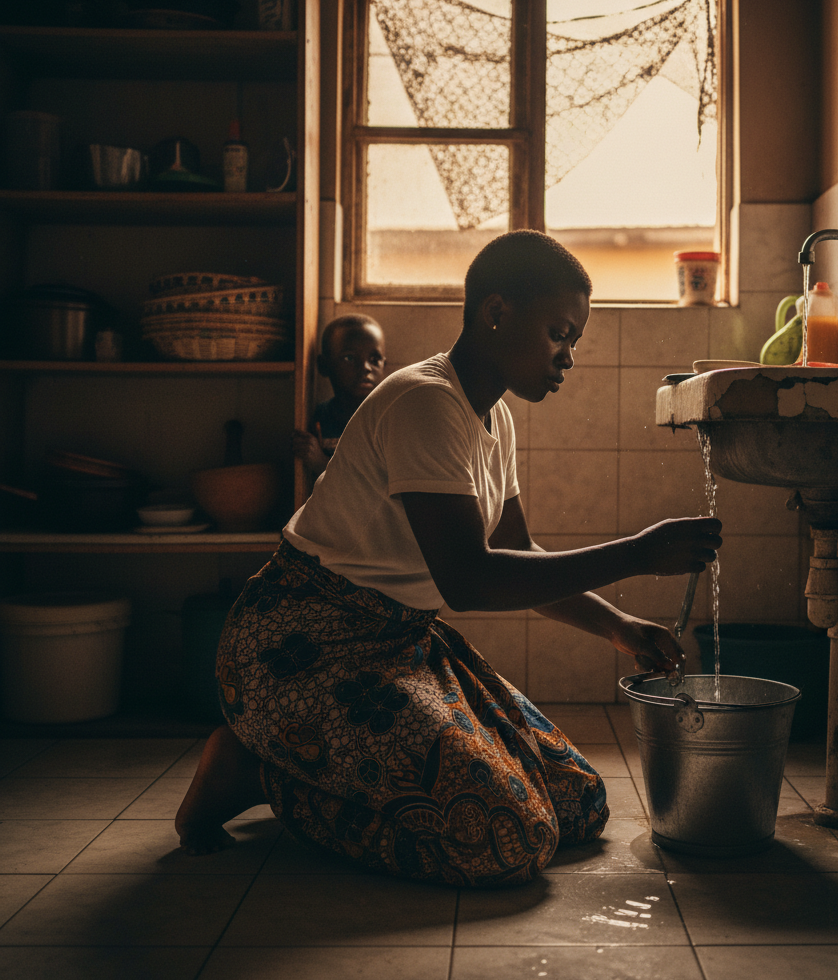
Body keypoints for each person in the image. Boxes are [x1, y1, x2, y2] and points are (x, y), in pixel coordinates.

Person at [176, 230, 722, 887]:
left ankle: (296, 766)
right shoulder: (424, 402)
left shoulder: (494, 418)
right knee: (508, 840)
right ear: (496, 313)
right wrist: (637, 553)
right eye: (558, 332)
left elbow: (515, 555)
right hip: (303, 648)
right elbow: (469, 580)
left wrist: (618, 628)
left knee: (578, 801)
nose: (567, 357)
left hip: (398, 642)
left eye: (572, 339)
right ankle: (251, 772)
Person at [292, 314, 386, 476]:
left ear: (384, 365)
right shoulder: (320, 416)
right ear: (323, 366)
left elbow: (375, 484)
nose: (365, 367)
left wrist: (322, 463)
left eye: (374, 359)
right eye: (349, 358)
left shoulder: (387, 420)